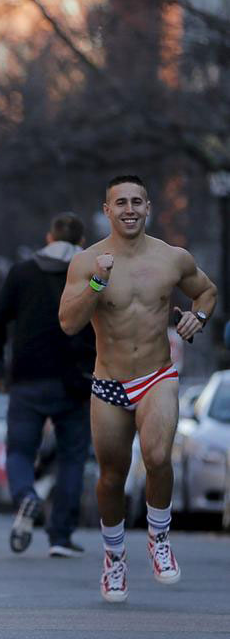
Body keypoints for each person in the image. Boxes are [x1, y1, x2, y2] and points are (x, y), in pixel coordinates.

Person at [59, 175, 217, 603]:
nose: (129, 209)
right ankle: (114, 558)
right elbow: (69, 323)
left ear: (148, 208)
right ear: (107, 210)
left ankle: (159, 537)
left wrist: (197, 319)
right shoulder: (87, 261)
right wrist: (96, 283)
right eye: (120, 203)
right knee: (110, 478)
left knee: (158, 456)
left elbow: (206, 292)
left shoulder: (172, 258)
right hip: (109, 382)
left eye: (136, 202)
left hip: (156, 376)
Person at [0, 212, 95, 558]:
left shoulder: (22, 273)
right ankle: (60, 536)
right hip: (75, 380)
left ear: (48, 238)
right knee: (72, 458)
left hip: (28, 378)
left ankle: (25, 496)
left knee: (19, 450)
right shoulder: (91, 274)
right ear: (81, 243)